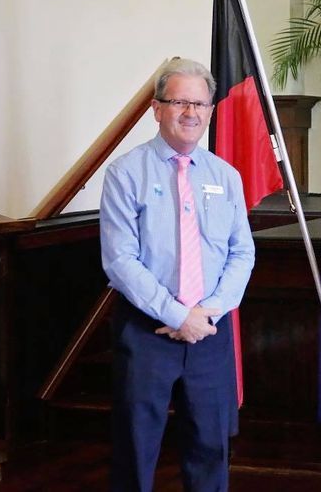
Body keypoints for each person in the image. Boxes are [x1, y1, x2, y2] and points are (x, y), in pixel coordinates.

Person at [100, 57, 255, 491]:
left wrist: (209, 311)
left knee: (211, 447)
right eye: (180, 102)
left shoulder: (226, 177)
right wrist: (175, 315)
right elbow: (120, 260)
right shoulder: (126, 173)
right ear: (157, 108)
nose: (191, 113)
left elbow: (242, 252)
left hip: (210, 331)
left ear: (210, 111)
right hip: (147, 333)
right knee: (136, 448)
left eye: (200, 104)